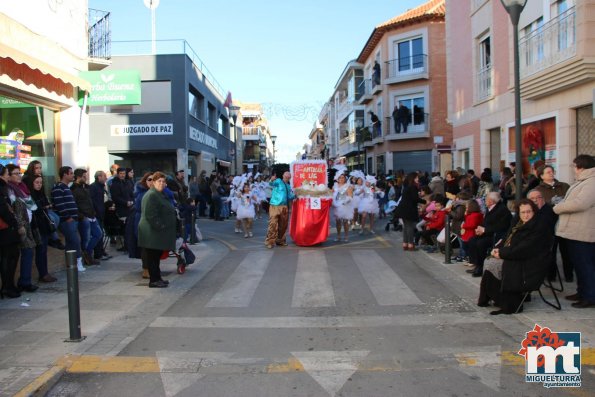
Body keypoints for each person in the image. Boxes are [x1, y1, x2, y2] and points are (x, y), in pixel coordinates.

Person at [477, 199, 552, 315]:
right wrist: (498, 250)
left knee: (494, 263)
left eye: (529, 212)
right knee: (489, 261)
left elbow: (525, 248)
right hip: (518, 255)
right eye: (523, 212)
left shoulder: (539, 226)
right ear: (519, 213)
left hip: (532, 262)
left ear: (534, 212)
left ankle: (507, 300)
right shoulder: (518, 223)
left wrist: (502, 254)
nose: (526, 215)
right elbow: (508, 239)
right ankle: (492, 297)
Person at [553, 154, 595, 308]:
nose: (573, 169)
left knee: (585, 266)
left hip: (583, 233)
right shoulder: (583, 181)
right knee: (579, 265)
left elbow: (580, 203)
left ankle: (590, 296)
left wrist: (558, 207)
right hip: (575, 231)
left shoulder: (591, 182)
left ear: (581, 167)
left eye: (574, 166)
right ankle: (582, 291)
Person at [137, 172, 176, 288]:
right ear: (153, 182)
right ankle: (154, 280)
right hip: (151, 233)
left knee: (156, 257)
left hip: (156, 233)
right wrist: (161, 226)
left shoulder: (159, 194)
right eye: (159, 181)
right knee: (152, 257)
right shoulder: (152, 195)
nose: (162, 183)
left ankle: (157, 278)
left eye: (163, 181)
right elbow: (151, 215)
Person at [5, 164, 40, 292]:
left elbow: (32, 206)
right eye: (16, 173)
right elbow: (12, 211)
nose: (19, 175)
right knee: (26, 251)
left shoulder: (23, 187)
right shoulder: (9, 190)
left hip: (28, 224)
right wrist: (19, 225)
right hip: (19, 226)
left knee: (29, 251)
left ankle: (24, 281)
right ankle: (22, 282)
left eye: (20, 173)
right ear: (8, 175)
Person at [466, 191, 512, 277]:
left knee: (480, 244)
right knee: (472, 240)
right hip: (487, 233)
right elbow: (485, 222)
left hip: (496, 235)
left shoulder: (502, 210)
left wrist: (485, 230)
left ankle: (481, 267)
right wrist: (480, 229)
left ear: (491, 201)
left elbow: (501, 226)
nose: (485, 201)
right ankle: (476, 264)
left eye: (486, 199)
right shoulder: (489, 208)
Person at [51, 166, 86, 272]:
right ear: (65, 174)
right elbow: (59, 204)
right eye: (71, 173)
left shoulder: (67, 187)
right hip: (66, 220)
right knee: (75, 241)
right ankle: (77, 262)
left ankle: (71, 264)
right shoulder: (58, 187)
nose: (73, 175)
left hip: (73, 219)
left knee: (71, 242)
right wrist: (67, 217)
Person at [27, 175, 57, 283]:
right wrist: (45, 207)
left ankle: (45, 273)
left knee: (43, 250)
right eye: (36, 182)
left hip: (44, 225)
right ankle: (43, 274)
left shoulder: (42, 194)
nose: (39, 184)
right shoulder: (30, 195)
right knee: (41, 250)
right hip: (36, 226)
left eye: (40, 182)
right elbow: (35, 209)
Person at [71, 169, 102, 266]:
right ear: (79, 177)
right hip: (83, 216)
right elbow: (74, 204)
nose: (86, 178)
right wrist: (81, 215)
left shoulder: (86, 187)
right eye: (84, 176)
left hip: (92, 215)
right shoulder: (74, 189)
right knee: (86, 239)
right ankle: (85, 256)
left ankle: (87, 253)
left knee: (98, 234)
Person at [0, 164, 22, 298]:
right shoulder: (2, 188)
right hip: (6, 230)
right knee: (9, 258)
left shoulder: (5, 187)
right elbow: (4, 210)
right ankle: (8, 286)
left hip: (6, 228)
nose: (9, 176)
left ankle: (8, 286)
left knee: (8, 257)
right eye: (7, 173)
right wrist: (15, 224)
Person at [264, 171, 295, 249]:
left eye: (288, 177)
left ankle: (280, 240)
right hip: (275, 205)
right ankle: (270, 241)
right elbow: (271, 184)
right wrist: (271, 180)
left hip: (284, 207)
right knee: (273, 223)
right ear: (283, 176)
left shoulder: (288, 186)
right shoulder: (278, 181)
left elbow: (289, 197)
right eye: (286, 176)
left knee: (283, 225)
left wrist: (297, 194)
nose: (287, 178)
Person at [399, 172, 425, 251]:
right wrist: (424, 201)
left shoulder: (406, 187)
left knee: (406, 227)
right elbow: (415, 199)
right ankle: (410, 244)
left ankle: (405, 244)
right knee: (410, 227)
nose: (418, 179)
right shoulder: (413, 187)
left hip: (403, 209)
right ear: (413, 178)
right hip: (409, 210)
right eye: (416, 178)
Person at [89, 171, 112, 261]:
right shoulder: (93, 187)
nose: (106, 178)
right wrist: (95, 212)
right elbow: (93, 202)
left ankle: (101, 251)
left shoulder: (102, 187)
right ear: (99, 177)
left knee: (101, 234)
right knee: (98, 234)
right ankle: (97, 253)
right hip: (96, 214)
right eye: (104, 176)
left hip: (101, 213)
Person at [458, 199, 484, 264]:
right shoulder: (473, 214)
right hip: (469, 233)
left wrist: (464, 226)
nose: (466, 208)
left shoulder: (475, 215)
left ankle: (472, 261)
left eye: (467, 207)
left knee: (468, 247)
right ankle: (470, 259)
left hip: (471, 233)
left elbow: (472, 225)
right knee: (467, 246)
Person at [332, 171, 353, 242]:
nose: (341, 179)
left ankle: (346, 236)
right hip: (336, 206)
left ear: (345, 179)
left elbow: (350, 197)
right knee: (338, 222)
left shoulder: (348, 186)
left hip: (344, 206)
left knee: (345, 222)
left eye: (343, 178)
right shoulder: (334, 186)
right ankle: (338, 236)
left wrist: (345, 201)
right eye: (340, 178)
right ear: (337, 179)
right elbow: (331, 195)